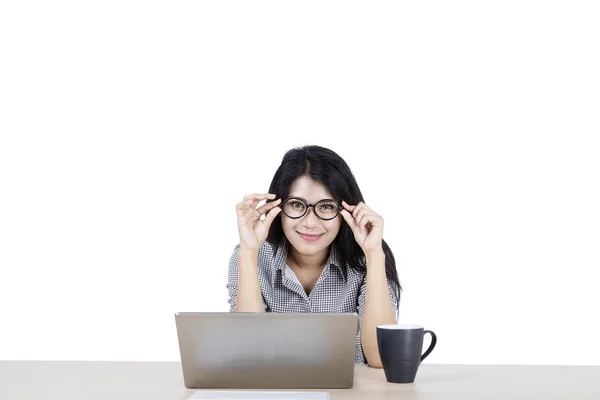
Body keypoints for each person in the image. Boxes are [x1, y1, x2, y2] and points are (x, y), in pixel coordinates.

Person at [227, 145, 401, 369]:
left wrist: (375, 255)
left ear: (346, 211)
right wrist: (249, 251)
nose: (310, 222)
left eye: (327, 206)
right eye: (297, 205)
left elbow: (381, 358)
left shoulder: (368, 257)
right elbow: (247, 355)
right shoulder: (252, 256)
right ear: (277, 207)